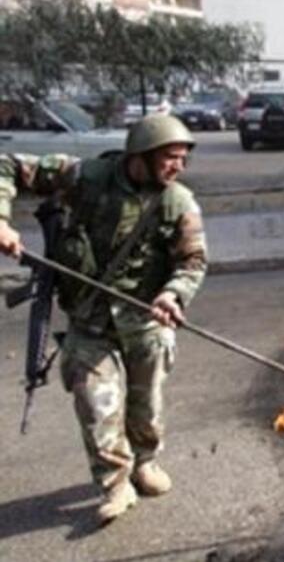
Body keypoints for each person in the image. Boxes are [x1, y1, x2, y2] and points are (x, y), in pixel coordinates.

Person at [0, 115, 207, 523]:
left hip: (147, 323)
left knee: (146, 407)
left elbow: (194, 261)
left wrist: (172, 294)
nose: (178, 167)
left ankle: (145, 462)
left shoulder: (178, 202)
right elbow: (6, 165)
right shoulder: (84, 177)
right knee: (97, 405)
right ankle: (115, 483)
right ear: (141, 156)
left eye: (183, 159)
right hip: (89, 322)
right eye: (170, 157)